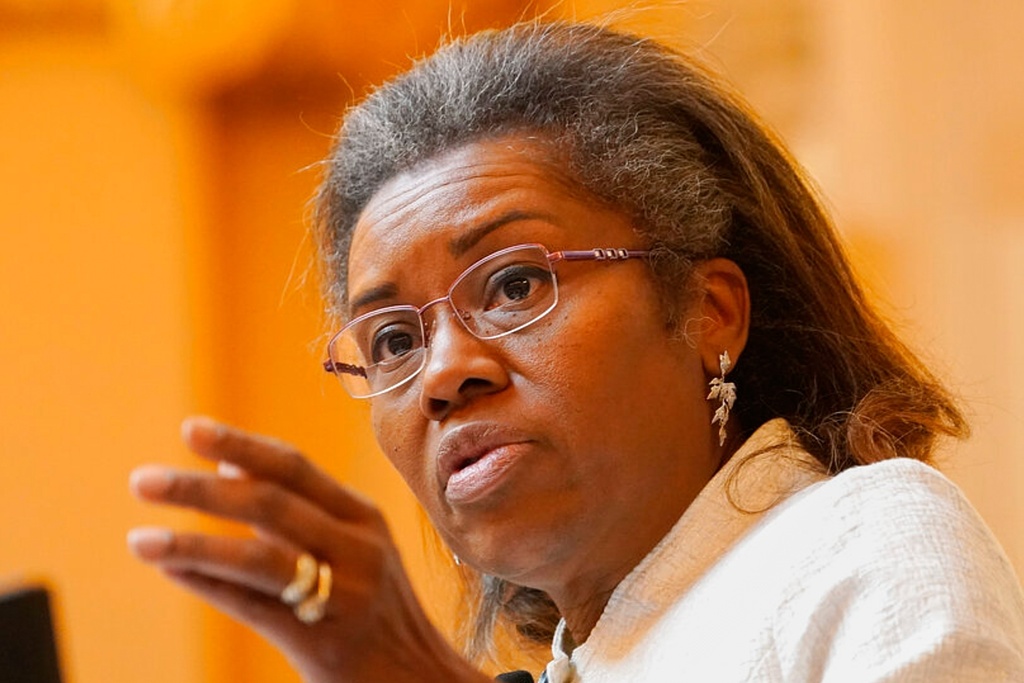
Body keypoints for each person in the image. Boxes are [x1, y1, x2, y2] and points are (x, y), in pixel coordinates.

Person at [127, 20, 1024, 682]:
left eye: (515, 284)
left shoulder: (862, 542)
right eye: (394, 339)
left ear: (708, 310)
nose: (443, 373)